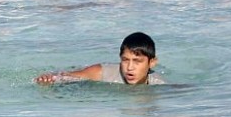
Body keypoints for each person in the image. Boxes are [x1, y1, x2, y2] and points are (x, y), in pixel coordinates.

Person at [35, 32, 164, 85]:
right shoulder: (101, 72)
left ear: (152, 62)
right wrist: (49, 79)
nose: (130, 67)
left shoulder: (158, 83)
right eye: (125, 60)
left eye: (137, 61)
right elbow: (65, 76)